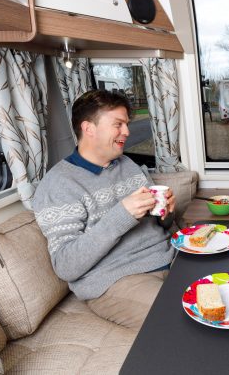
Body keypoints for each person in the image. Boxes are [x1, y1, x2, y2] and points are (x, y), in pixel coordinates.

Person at [33, 89, 176, 331]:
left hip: (169, 256)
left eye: (126, 124)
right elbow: (66, 266)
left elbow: (161, 223)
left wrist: (167, 211)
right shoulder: (58, 185)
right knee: (186, 316)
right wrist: (121, 215)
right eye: (118, 124)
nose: (127, 132)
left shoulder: (127, 164)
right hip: (116, 280)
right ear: (89, 128)